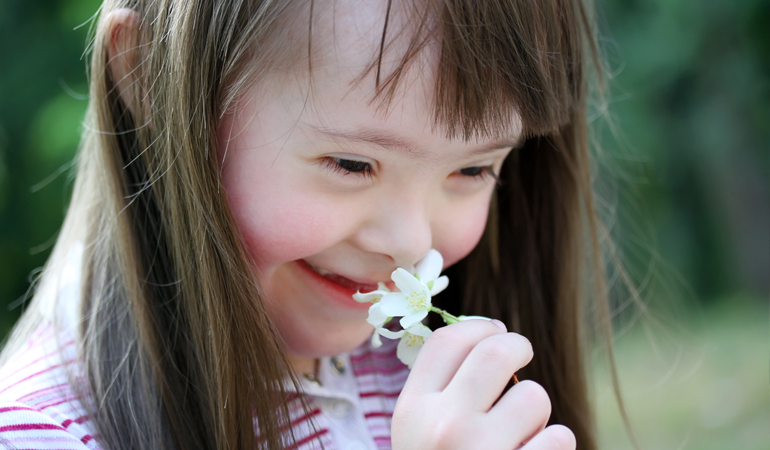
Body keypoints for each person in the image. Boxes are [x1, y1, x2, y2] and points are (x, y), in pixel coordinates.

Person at [0, 0, 623, 449]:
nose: (411, 245)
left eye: (473, 169)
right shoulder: (42, 433)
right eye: (352, 163)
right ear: (149, 79)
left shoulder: (428, 378)